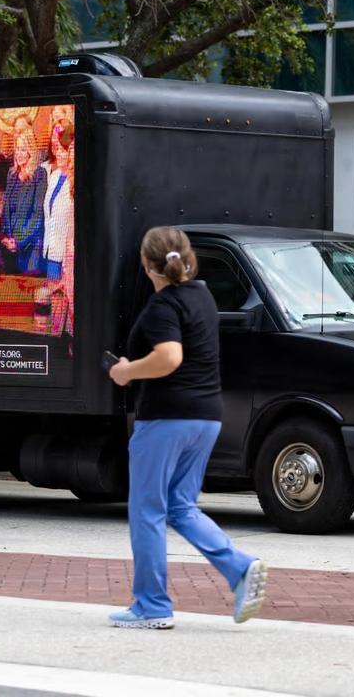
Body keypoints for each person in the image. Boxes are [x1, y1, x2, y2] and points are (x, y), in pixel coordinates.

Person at [106, 227, 268, 630]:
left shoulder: (163, 306)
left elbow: (169, 357)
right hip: (206, 417)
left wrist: (126, 371)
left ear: (146, 265)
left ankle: (151, 606)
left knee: (147, 511)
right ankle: (240, 568)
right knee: (180, 506)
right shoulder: (201, 295)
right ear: (187, 257)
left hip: (165, 418)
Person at [0, 126, 47, 274]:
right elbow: (6, 210)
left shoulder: (39, 174)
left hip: (30, 248)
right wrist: (5, 238)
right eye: (17, 149)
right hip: (9, 247)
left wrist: (19, 241)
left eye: (23, 149)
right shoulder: (11, 174)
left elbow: (37, 215)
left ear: (31, 151)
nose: (19, 154)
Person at [41, 123, 74, 281]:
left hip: (66, 258)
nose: (58, 154)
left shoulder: (75, 184)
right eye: (57, 149)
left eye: (63, 150)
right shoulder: (54, 176)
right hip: (50, 252)